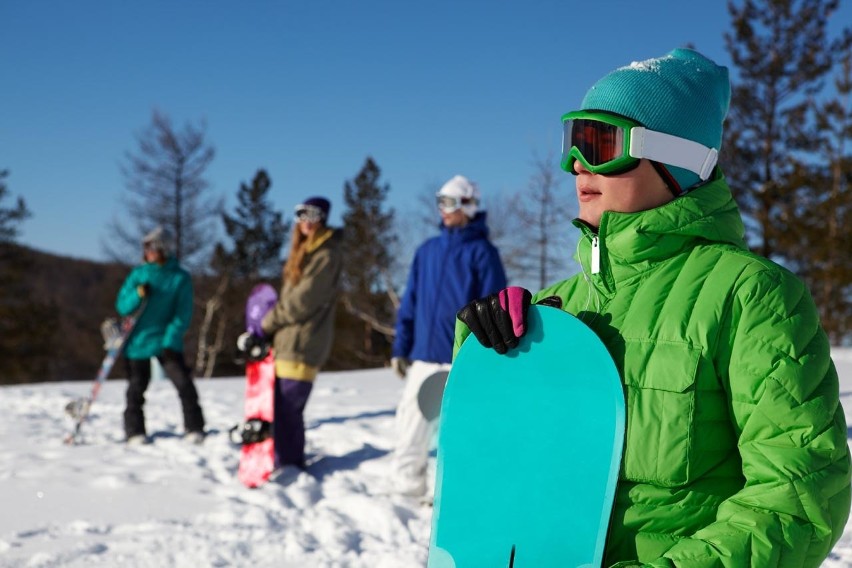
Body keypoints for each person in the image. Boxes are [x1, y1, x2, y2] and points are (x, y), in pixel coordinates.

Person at [455, 48, 851, 566]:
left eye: (599, 143)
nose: (577, 164)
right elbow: (498, 463)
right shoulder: (559, 305)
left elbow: (799, 494)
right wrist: (488, 353)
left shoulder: (750, 295)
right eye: (572, 143)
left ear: (676, 162)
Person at [391, 175, 507, 498]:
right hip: (424, 358)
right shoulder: (426, 251)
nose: (443, 209)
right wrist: (401, 347)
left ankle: (446, 497)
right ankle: (406, 493)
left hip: (460, 361)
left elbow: (495, 307)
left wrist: (486, 359)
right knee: (410, 427)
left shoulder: (483, 254)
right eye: (440, 201)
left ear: (469, 205)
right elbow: (410, 302)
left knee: (455, 432)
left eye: (451, 202)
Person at [259, 196, 344, 471]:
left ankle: (290, 465)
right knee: (282, 412)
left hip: (304, 344)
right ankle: (284, 460)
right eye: (301, 214)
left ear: (324, 218)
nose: (306, 221)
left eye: (313, 215)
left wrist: (267, 323)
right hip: (288, 342)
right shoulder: (304, 252)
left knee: (287, 412)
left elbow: (302, 302)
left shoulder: (326, 255)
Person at [116, 226, 205, 444]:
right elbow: (122, 306)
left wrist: (170, 339)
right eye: (146, 247)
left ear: (163, 248)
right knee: (136, 387)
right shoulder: (138, 275)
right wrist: (138, 294)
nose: (148, 252)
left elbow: (183, 313)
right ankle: (135, 431)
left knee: (183, 383)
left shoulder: (179, 278)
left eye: (153, 247)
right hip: (138, 341)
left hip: (166, 339)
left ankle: (194, 427)